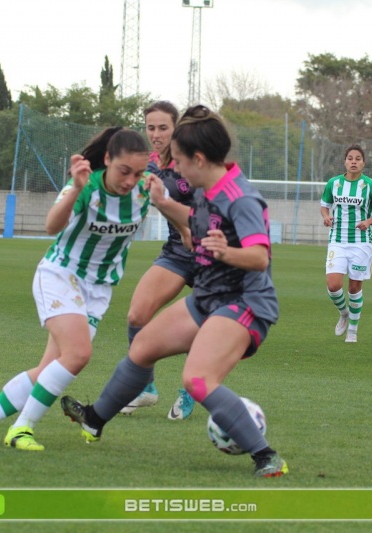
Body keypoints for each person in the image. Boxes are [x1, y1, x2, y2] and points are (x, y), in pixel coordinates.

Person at [59, 105, 288, 477]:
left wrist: (225, 251)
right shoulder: (206, 188)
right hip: (209, 298)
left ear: (198, 158)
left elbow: (260, 257)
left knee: (197, 380)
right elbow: (194, 219)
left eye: (179, 161)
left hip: (244, 303)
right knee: (143, 346)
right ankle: (95, 418)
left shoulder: (241, 198)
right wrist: (164, 202)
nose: (175, 168)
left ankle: (266, 456)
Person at [0, 127, 152, 451]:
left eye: (138, 172)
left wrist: (184, 228)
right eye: (124, 171)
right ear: (108, 160)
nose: (130, 180)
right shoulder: (86, 185)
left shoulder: (146, 191)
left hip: (99, 290)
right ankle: (21, 429)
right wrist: (75, 189)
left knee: (48, 369)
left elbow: (179, 218)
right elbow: (52, 226)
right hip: (61, 275)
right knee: (78, 354)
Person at [119, 101, 198, 421]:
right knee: (137, 314)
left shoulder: (194, 160)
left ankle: (192, 389)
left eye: (163, 127)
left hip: (215, 255)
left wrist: (186, 229)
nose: (156, 134)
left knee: (206, 327)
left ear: (176, 128)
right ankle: (145, 387)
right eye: (150, 127)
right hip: (177, 252)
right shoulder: (149, 165)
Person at [320, 144, 372, 343]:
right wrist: (326, 217)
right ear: (345, 161)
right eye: (350, 158)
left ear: (363, 163)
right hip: (337, 241)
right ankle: (344, 313)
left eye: (358, 158)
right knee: (333, 285)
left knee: (354, 287)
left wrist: (368, 221)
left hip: (361, 243)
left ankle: (353, 330)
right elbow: (324, 205)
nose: (353, 161)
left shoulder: (370, 185)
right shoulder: (333, 183)